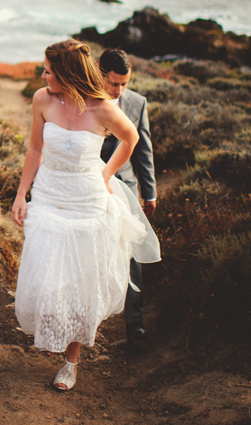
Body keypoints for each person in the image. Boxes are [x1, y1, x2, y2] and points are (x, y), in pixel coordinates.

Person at [12, 39, 160, 391]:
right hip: (48, 195)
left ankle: (71, 361)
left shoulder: (103, 108)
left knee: (80, 280)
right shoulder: (42, 99)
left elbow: (131, 139)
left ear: (65, 72)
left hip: (88, 201)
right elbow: (35, 147)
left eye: (48, 70)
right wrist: (21, 193)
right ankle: (53, 329)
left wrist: (106, 174)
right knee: (48, 268)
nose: (43, 74)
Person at [98, 48, 158, 344]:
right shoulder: (85, 101)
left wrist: (149, 192)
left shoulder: (137, 103)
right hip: (94, 185)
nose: (119, 89)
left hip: (127, 189)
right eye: (113, 83)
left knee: (132, 251)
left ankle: (134, 324)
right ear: (100, 73)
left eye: (124, 83)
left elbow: (143, 151)